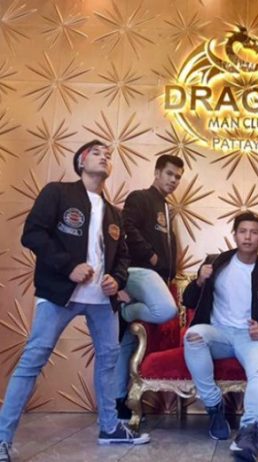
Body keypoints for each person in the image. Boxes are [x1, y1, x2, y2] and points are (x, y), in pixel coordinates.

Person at [0, 140, 149, 462]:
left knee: (108, 361)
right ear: (81, 162)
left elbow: (123, 256)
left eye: (108, 155)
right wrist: (68, 266)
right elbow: (33, 233)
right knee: (34, 358)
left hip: (101, 300)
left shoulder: (114, 212)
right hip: (59, 294)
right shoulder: (58, 193)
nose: (104, 157)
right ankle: (2, 439)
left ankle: (109, 427)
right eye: (97, 153)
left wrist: (117, 279)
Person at [182, 212, 258, 462]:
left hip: (252, 339)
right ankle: (214, 406)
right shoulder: (216, 263)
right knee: (193, 336)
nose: (248, 237)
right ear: (235, 235)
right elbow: (188, 300)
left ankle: (250, 431)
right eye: (243, 231)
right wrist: (199, 280)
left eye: (254, 232)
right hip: (219, 333)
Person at [114, 155, 184, 420]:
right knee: (166, 310)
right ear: (157, 173)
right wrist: (152, 256)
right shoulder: (140, 197)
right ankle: (126, 311)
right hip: (139, 271)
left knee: (127, 340)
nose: (173, 180)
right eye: (169, 174)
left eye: (178, 177)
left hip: (154, 279)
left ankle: (118, 402)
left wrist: (169, 272)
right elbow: (126, 227)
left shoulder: (166, 208)